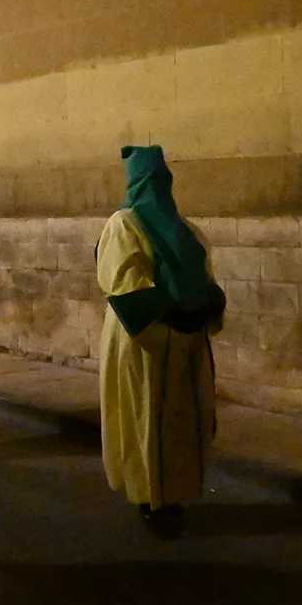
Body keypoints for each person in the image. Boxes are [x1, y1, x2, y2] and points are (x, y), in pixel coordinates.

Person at [97, 146, 225, 535]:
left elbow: (205, 276)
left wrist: (204, 310)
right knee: (145, 419)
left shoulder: (186, 229)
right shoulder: (124, 225)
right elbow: (124, 285)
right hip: (146, 346)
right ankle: (149, 499)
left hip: (184, 343)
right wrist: (172, 313)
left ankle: (175, 495)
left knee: (184, 419)